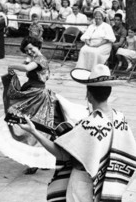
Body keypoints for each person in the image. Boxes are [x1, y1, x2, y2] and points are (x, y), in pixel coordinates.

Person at [16, 64, 136, 202]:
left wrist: (33, 131)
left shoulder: (90, 125)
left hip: (83, 184)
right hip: (107, 183)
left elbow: (61, 153)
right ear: (109, 92)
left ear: (89, 95)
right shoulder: (120, 118)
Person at [0, 36, 71, 174]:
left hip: (37, 95)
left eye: (31, 48)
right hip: (31, 92)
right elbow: (27, 64)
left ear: (38, 46)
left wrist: (12, 66)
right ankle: (40, 160)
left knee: (37, 127)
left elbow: (26, 68)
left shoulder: (40, 59)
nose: (29, 52)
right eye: (26, 50)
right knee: (33, 126)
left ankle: (37, 160)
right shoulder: (35, 58)